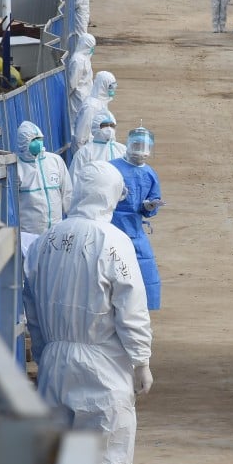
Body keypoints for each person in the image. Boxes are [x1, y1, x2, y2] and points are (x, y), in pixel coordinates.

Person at [24, 160, 153, 464]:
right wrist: (141, 359)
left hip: (55, 362)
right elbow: (130, 307)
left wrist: (44, 349)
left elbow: (31, 305)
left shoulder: (45, 241)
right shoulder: (113, 242)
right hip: (103, 366)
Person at [110, 127, 164, 311]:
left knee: (146, 270)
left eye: (145, 146)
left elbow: (152, 200)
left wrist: (149, 207)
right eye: (137, 145)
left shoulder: (149, 173)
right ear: (129, 144)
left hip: (135, 229)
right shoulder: (112, 168)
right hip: (112, 228)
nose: (141, 150)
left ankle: (142, 308)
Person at [16, 121, 73, 236]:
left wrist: (72, 218)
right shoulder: (16, 167)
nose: (38, 143)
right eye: (33, 140)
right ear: (23, 143)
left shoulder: (55, 161)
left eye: (39, 138)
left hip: (56, 231)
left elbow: (68, 193)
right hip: (30, 233)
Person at [70, 112, 126, 183]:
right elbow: (74, 178)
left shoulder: (122, 149)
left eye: (112, 125)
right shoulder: (84, 152)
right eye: (104, 126)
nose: (109, 129)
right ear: (95, 127)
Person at [73, 70, 117, 152]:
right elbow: (81, 137)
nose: (113, 90)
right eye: (110, 87)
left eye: (114, 86)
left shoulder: (101, 103)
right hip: (91, 151)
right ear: (103, 86)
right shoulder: (91, 107)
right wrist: (83, 154)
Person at [67, 32, 96, 132]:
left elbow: (72, 83)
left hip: (80, 97)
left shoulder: (81, 59)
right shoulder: (79, 60)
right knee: (77, 124)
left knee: (78, 124)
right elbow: (73, 83)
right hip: (79, 96)